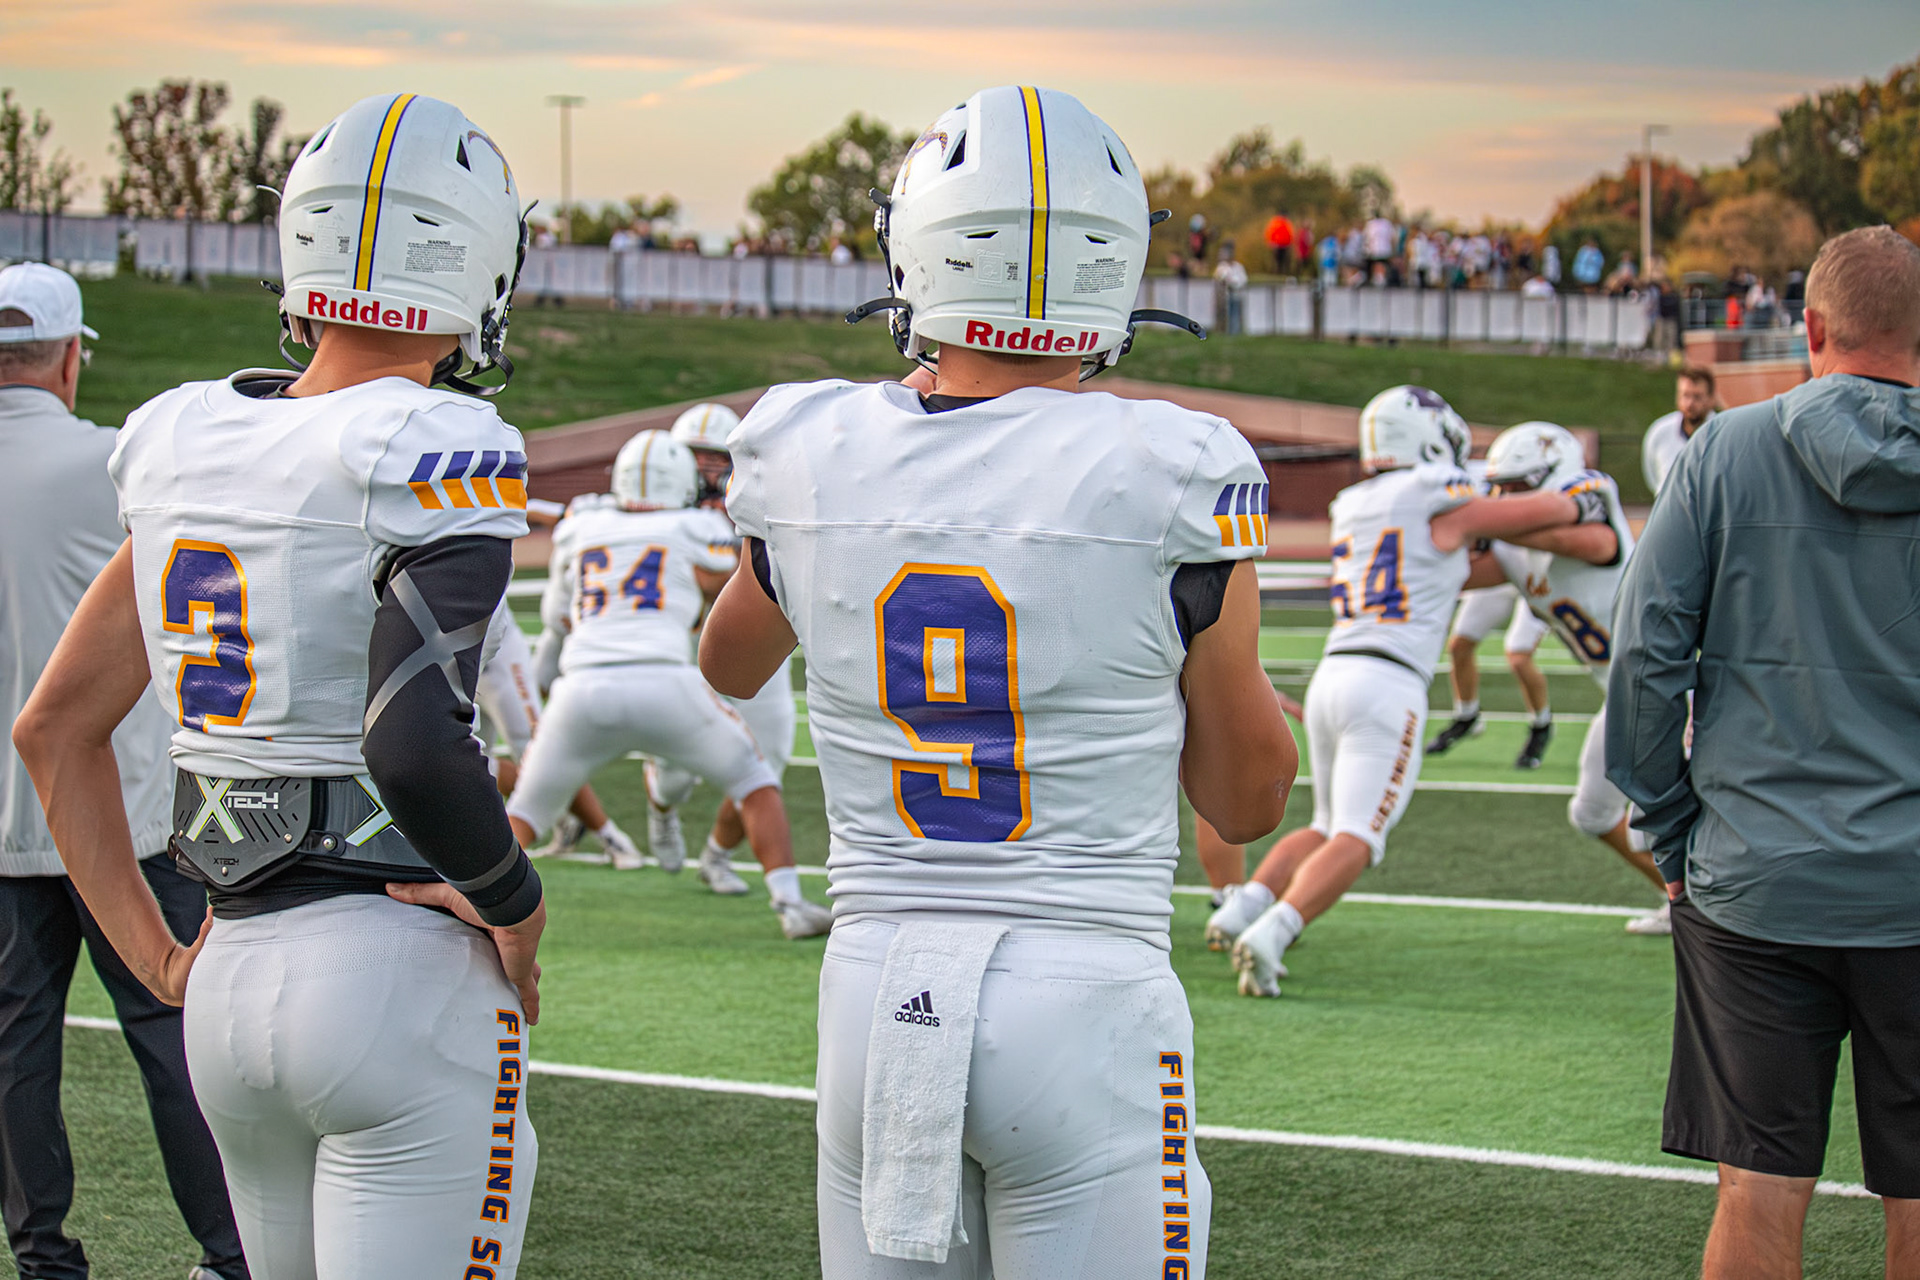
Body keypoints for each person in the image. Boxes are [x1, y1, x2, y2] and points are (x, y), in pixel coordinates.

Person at [701, 84, 1295, 1277]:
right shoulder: (1172, 469)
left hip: (876, 984)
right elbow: (1246, 802)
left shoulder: (807, 443)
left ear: (916, 250)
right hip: (1085, 988)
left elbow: (728, 659)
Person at [13, 93, 547, 1276]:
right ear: (473, 262)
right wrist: (515, 903)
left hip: (228, 975)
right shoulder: (436, 439)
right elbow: (412, 743)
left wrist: (158, 962)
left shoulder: (178, 436)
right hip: (394, 975)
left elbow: (53, 731)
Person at [1607, 225, 1920, 1280]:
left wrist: (1668, 824)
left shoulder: (1725, 450)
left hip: (1755, 877)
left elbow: (1646, 655)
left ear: (1812, 327)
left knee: (1758, 1182)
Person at [0, 264, 249, 1280]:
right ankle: (235, 1249)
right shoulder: (115, 464)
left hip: (4, 814)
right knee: (181, 1031)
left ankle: (42, 1257)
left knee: (16, 1051)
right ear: (69, 357)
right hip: (130, 810)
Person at [1205, 385, 1605, 995]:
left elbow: (1446, 565)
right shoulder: (1435, 494)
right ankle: (1275, 932)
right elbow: (1534, 516)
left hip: (1334, 671)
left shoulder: (1353, 502)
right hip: (1388, 682)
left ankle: (1242, 907)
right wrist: (1582, 495)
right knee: (1360, 837)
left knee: (1325, 822)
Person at [507, 430, 831, 939]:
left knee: (524, 814)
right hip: (663, 678)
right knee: (756, 781)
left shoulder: (581, 526)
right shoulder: (697, 525)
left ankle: (467, 899)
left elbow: (559, 615)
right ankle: (790, 903)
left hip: (583, 687)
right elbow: (725, 586)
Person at [1472, 423, 1669, 934]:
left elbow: (1565, 535)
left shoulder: (1591, 512)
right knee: (1594, 812)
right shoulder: (1513, 545)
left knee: (1696, 820)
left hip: (1676, 685)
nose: (1504, 498)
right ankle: (1685, 905)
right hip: (1625, 691)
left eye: (1517, 487)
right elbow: (1456, 566)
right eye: (1500, 487)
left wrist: (1474, 513)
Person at [642, 402, 803, 886]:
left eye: (717, 458)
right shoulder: (658, 510)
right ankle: (662, 807)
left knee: (767, 761)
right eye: (696, 457)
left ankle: (716, 854)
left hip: (752, 643)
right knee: (676, 774)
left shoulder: (764, 496)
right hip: (682, 651)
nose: (707, 472)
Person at [474, 592, 639, 865]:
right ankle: (563, 815)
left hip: (493, 652)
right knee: (461, 758)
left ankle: (611, 836)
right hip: (450, 655)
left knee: (535, 746)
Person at [1424, 583, 1555, 769]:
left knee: (1519, 655)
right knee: (1459, 646)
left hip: (1536, 577)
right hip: (1502, 569)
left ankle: (1542, 725)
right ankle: (1467, 716)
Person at [1641, 365, 1717, 497]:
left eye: (1697, 397)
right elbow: (1652, 476)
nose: (1689, 404)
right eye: (1685, 395)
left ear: (1711, 399)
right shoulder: (1659, 432)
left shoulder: (1722, 434)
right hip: (1669, 513)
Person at [1212, 243, 1248, 336]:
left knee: (1235, 313)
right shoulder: (1222, 267)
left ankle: (1236, 331)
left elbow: (1243, 279)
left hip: (1237, 294)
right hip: (1225, 295)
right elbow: (1219, 278)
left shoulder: (1238, 266)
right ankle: (1225, 331)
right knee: (1225, 314)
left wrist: (1234, 283)